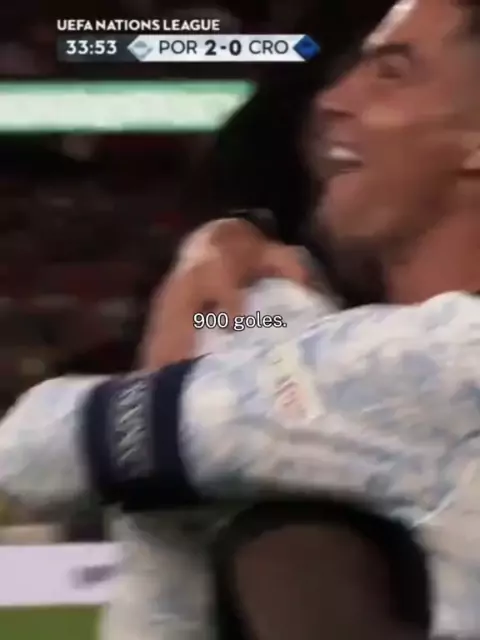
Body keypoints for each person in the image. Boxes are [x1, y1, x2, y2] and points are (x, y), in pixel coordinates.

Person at [2, 0, 480, 636]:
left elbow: (32, 446)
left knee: (270, 516)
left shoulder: (427, 361)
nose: (332, 99)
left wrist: (239, 319)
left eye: (392, 73)